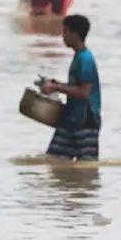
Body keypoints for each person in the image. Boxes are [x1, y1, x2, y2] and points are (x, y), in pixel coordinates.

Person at [39, 15, 101, 161]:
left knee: (86, 169)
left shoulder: (85, 59)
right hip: (70, 119)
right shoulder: (78, 57)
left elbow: (84, 93)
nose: (63, 36)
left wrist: (56, 87)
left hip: (86, 121)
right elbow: (76, 87)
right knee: (53, 161)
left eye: (66, 31)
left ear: (76, 34)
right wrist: (57, 84)